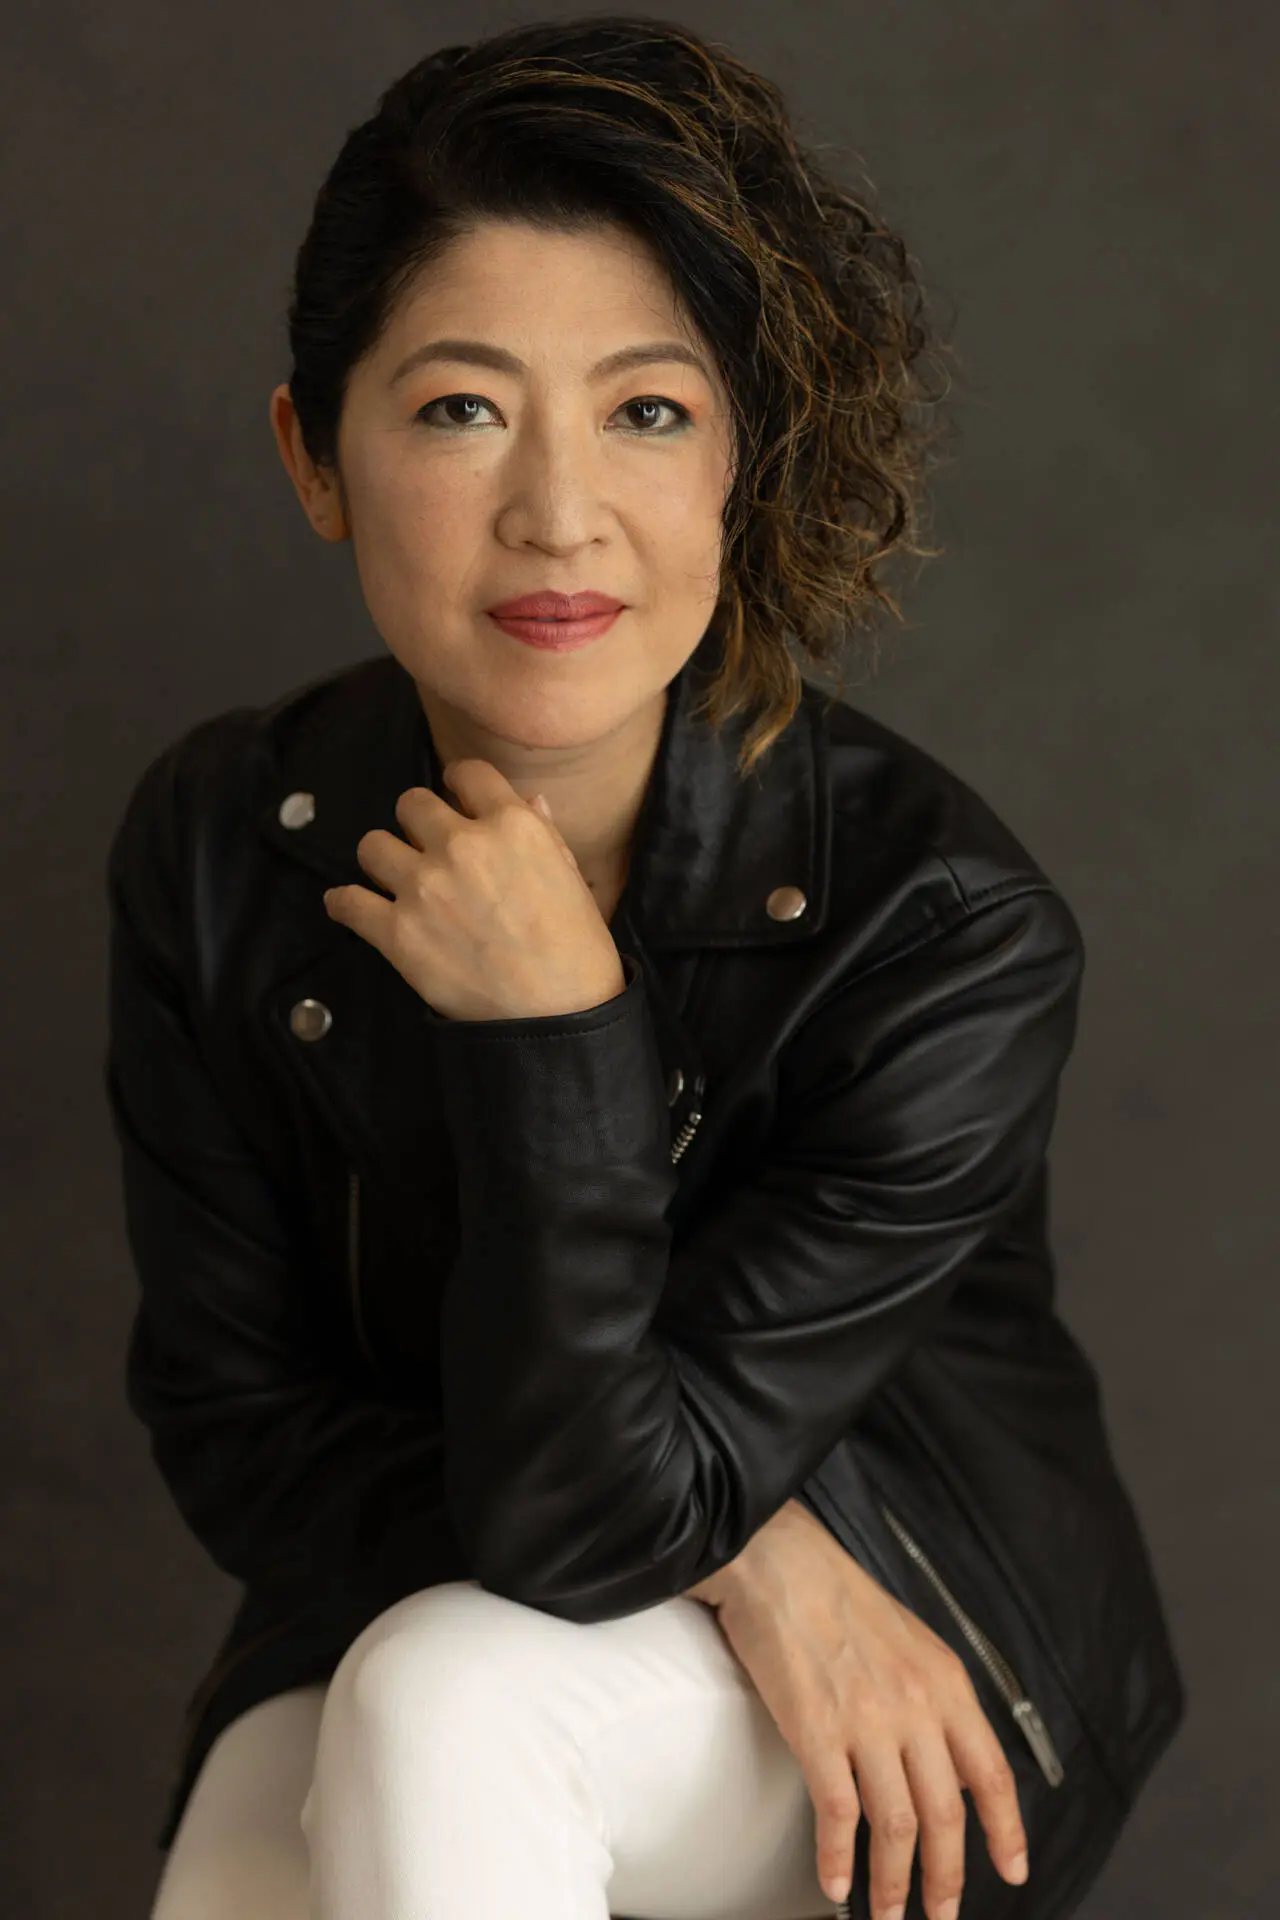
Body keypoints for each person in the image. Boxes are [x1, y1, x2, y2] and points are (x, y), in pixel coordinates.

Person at [104, 15, 1184, 1920]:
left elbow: (594, 1516)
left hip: (915, 1680)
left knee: (444, 1704)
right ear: (314, 454)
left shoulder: (938, 930)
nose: (558, 511)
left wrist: (555, 1029)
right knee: (266, 1807)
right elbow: (241, 1441)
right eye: (459, 409)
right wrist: (744, 1552)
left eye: (648, 410)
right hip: (551, 1594)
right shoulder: (223, 846)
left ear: (738, 465)